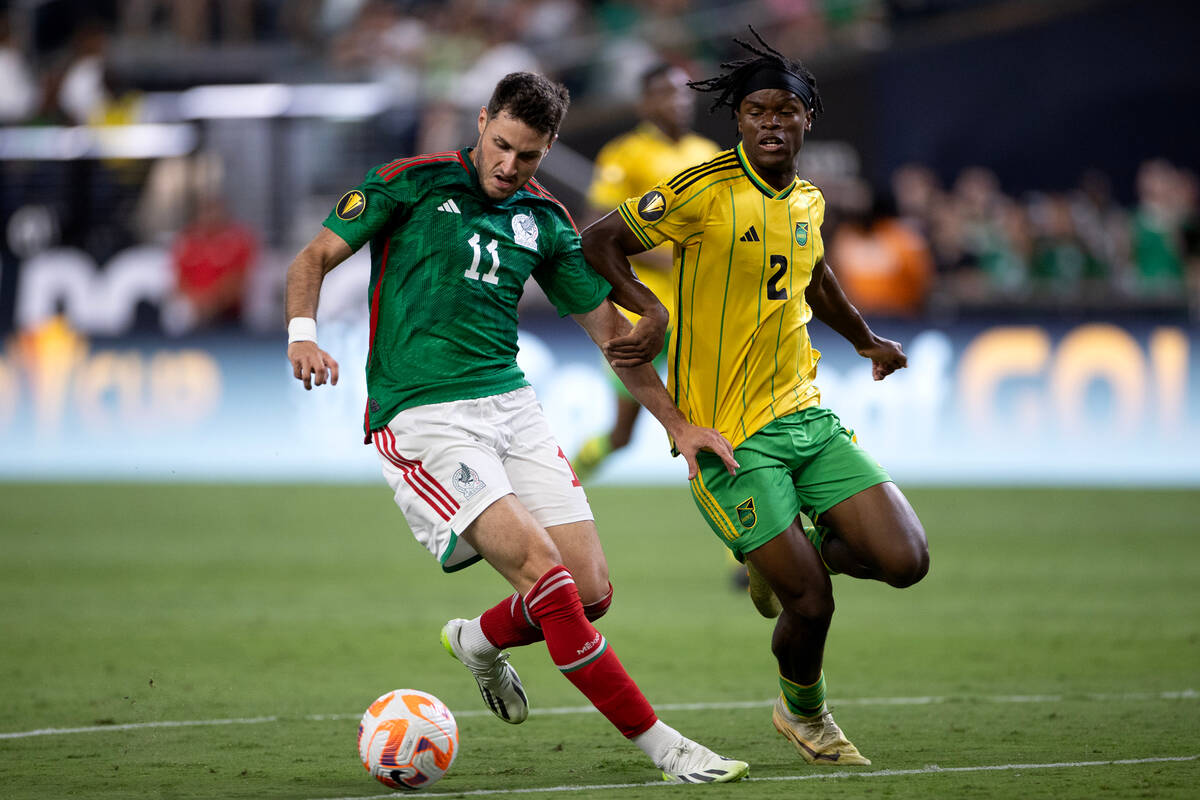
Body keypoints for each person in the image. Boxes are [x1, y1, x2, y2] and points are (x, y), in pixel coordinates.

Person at [284, 71, 749, 785]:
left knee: (591, 593)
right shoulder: (408, 183)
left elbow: (610, 336)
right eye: (500, 145)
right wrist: (303, 334)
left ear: (548, 147)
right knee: (552, 585)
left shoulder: (547, 221)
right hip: (424, 416)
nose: (508, 165)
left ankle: (476, 640)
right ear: (481, 122)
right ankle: (667, 749)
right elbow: (313, 257)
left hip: (513, 406)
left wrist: (678, 424)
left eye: (527, 156)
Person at [581, 30, 930, 767]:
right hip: (728, 439)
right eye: (756, 110)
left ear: (809, 121)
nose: (771, 122)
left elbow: (813, 274)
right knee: (810, 603)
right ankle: (805, 713)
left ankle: (794, 556)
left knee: (907, 560)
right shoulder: (702, 189)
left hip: (807, 415)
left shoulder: (807, 198)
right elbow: (599, 241)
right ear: (737, 120)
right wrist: (651, 307)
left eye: (786, 111)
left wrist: (866, 340)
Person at [571, 62, 720, 481]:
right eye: (668, 93)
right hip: (639, 307)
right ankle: (572, 475)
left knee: (715, 425)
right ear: (646, 102)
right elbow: (596, 228)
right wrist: (675, 257)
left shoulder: (708, 154)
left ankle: (743, 540)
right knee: (623, 434)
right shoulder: (624, 153)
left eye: (684, 93)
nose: (679, 101)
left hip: (698, 310)